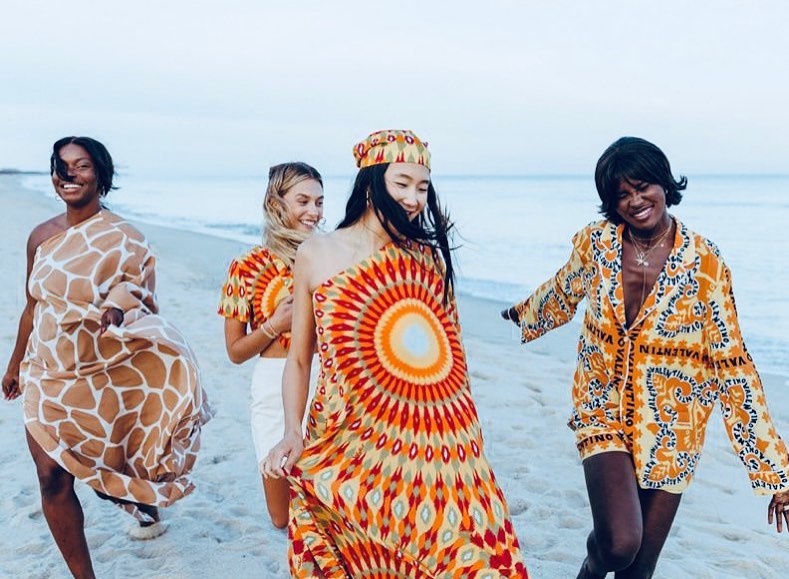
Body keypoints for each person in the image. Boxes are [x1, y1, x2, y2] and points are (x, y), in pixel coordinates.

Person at [501, 136, 789, 578]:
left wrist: (775, 472)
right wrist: (523, 313)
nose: (635, 201)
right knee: (619, 545)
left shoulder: (706, 263)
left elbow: (733, 363)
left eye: (642, 187)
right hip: (602, 406)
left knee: (637, 571)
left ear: (664, 185)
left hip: (674, 424)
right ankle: (593, 564)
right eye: (622, 194)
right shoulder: (596, 244)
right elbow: (564, 289)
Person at [262, 129, 528, 577]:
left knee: (460, 549)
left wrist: (469, 441)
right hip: (347, 436)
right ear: (371, 184)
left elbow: (451, 359)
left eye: (423, 187)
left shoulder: (427, 259)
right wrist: (292, 430)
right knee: (363, 551)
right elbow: (301, 358)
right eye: (402, 183)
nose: (413, 198)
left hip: (428, 437)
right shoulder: (317, 253)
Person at [2, 136, 212, 579]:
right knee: (51, 478)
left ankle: (142, 503)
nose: (68, 174)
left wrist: (115, 308)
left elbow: (138, 293)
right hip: (46, 373)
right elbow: (32, 305)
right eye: (61, 166)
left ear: (101, 174)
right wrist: (15, 362)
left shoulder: (124, 237)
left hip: (101, 373)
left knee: (110, 465)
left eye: (81, 165)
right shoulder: (40, 237)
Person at [218, 162, 324, 528]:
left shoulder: (330, 259)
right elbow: (235, 352)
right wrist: (274, 325)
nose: (314, 212)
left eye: (319, 202)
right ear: (276, 204)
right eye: (303, 201)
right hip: (272, 384)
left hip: (328, 380)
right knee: (281, 516)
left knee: (327, 500)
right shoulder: (247, 266)